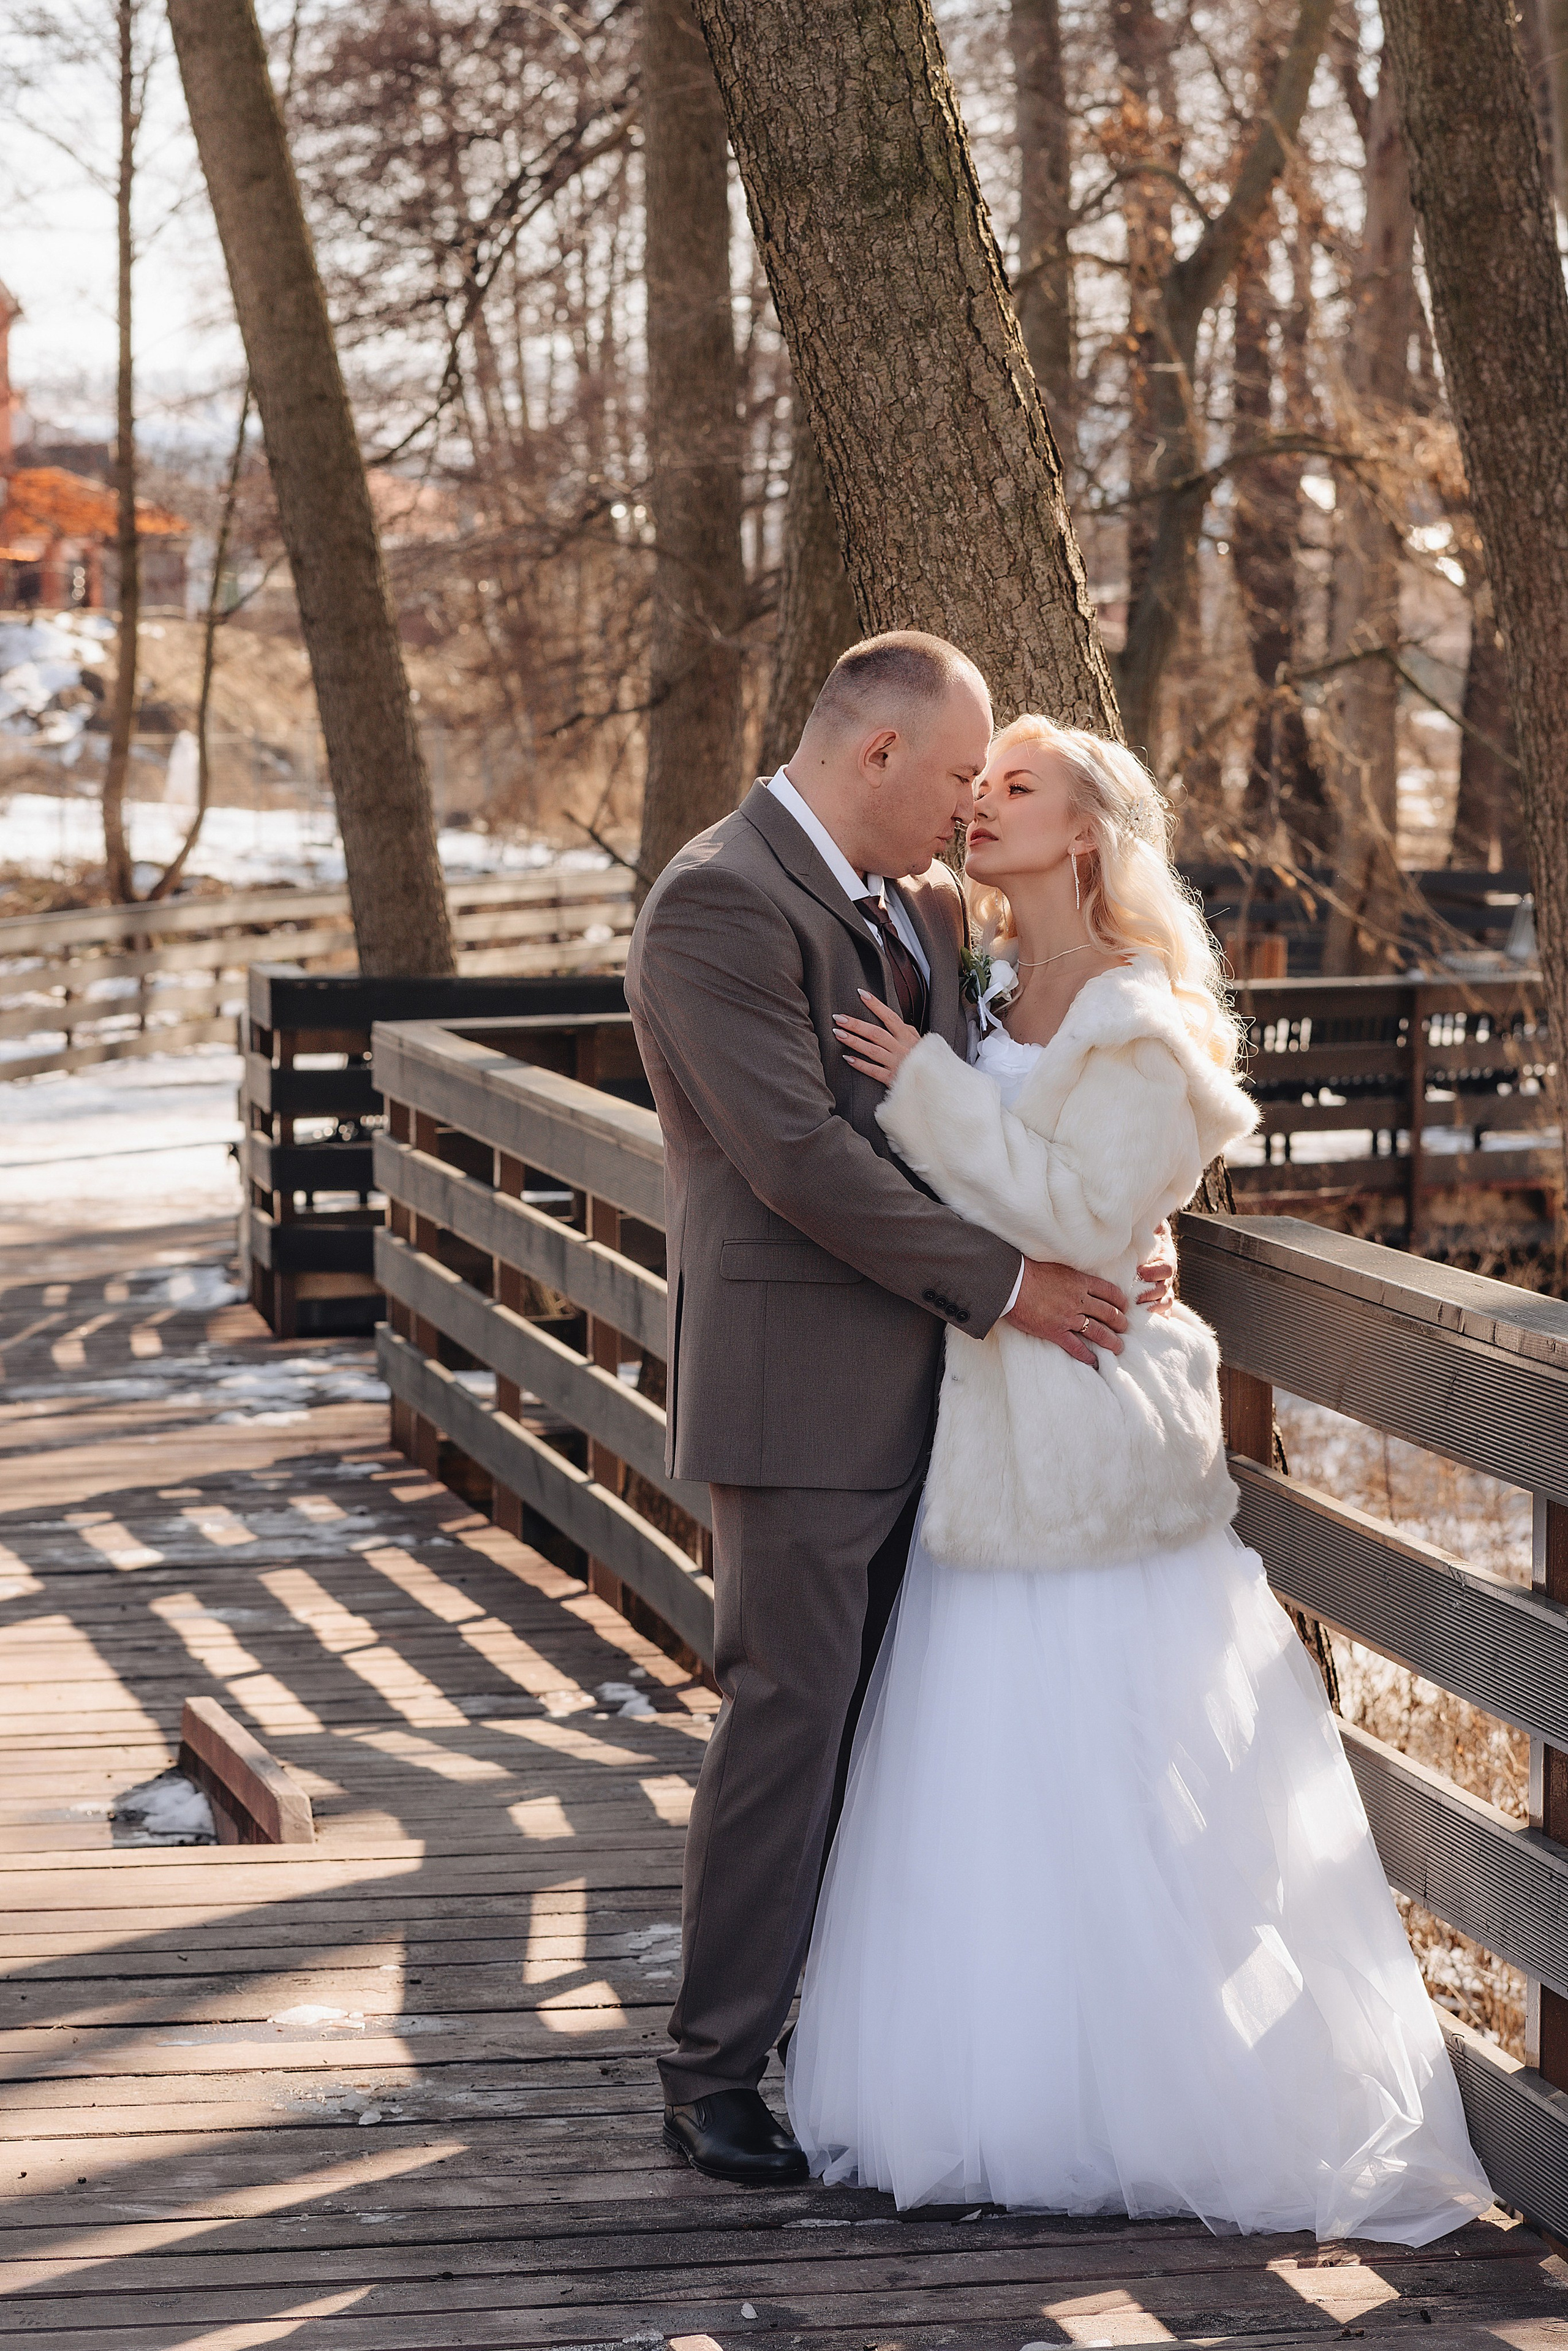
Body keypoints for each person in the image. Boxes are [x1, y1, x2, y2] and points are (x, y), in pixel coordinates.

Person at [787, 712, 1494, 2243]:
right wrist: (953, 1089)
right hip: (988, 1437)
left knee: (1128, 1771)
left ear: (1085, 833)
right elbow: (1007, 1202)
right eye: (976, 783)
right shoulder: (974, 985)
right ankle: (1003, 2092)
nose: (980, 806)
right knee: (983, 1779)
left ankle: (1168, 2104)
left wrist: (929, 1090)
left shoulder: (1137, 1016)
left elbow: (1073, 1211)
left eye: (1016, 787)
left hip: (1098, 1436)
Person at [625, 633, 1178, 2185]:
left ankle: (860, 2043)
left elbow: (1035, 1090)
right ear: (875, 754)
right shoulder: (718, 902)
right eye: (950, 776)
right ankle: (710, 2070)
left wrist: (1115, 1224)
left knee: (900, 1734)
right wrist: (1012, 1285)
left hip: (951, 1399)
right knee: (791, 1718)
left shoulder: (923, 909)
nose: (963, 810)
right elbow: (800, 1159)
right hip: (801, 1392)